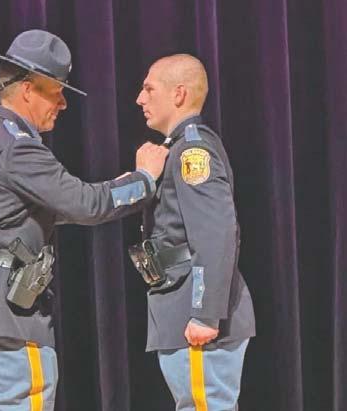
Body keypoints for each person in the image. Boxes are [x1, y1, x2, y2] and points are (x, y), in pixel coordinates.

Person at [0, 29, 169, 410]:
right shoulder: (18, 148)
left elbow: (20, 214)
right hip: (8, 319)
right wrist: (144, 179)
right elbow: (84, 204)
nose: (63, 104)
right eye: (56, 92)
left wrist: (108, 189)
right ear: (27, 89)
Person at [132, 54, 255, 410]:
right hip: (178, 304)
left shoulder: (192, 150)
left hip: (194, 310)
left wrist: (205, 312)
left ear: (179, 94)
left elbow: (216, 233)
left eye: (149, 89)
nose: (140, 99)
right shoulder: (175, 149)